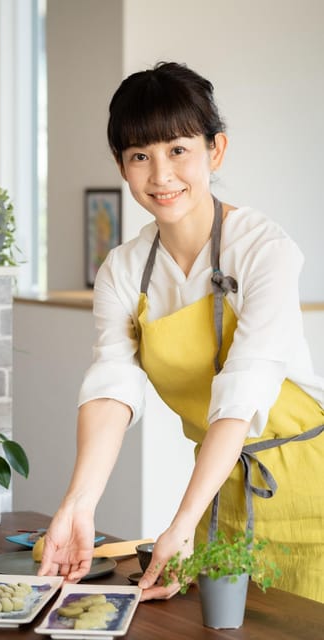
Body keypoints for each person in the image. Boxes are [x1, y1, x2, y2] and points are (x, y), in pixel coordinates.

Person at [38, 62, 324, 603]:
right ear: (122, 166)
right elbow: (112, 387)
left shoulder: (265, 249)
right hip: (219, 498)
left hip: (314, 490)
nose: (161, 175)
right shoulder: (123, 270)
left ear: (215, 151)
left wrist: (182, 521)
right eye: (140, 156)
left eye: (177, 150)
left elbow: (242, 394)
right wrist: (78, 504)